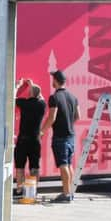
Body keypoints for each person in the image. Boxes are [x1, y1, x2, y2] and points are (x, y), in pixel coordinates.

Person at [40, 70, 80, 203]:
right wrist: (68, 123)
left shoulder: (54, 97)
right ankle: (70, 192)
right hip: (71, 136)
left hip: (60, 137)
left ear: (55, 81)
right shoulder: (73, 97)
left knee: (63, 165)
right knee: (68, 164)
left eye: (53, 79)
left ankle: (66, 194)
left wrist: (41, 132)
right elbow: (78, 116)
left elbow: (52, 117)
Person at [13, 78, 46, 197]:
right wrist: (33, 86)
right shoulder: (42, 105)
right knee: (34, 167)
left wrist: (18, 86)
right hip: (35, 140)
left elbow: (13, 98)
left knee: (20, 166)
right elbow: (41, 96)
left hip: (23, 140)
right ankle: (33, 191)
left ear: (30, 94)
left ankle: (19, 190)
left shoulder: (24, 103)